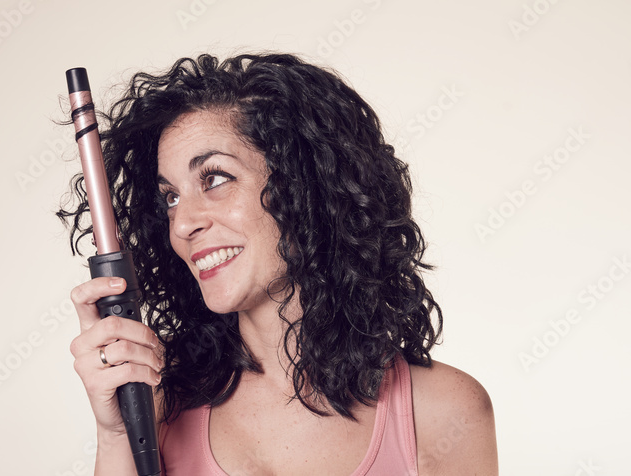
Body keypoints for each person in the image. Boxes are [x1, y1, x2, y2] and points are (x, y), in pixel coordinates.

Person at [58, 52, 497, 475]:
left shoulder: (442, 413)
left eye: (214, 179)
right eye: (171, 197)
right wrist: (116, 434)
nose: (184, 223)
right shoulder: (158, 400)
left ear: (305, 188)